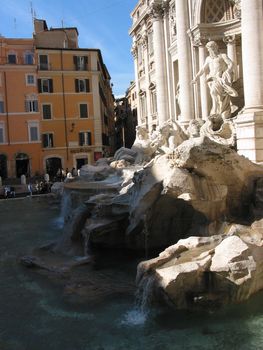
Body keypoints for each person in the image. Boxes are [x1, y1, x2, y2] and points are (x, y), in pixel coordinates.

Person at [192, 41, 238, 119]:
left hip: (219, 79)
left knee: (215, 93)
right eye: (209, 49)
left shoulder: (222, 56)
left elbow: (231, 64)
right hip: (211, 79)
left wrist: (227, 71)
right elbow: (203, 69)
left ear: (216, 47)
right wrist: (196, 77)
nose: (211, 51)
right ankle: (216, 111)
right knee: (213, 94)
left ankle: (218, 111)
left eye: (212, 48)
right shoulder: (208, 59)